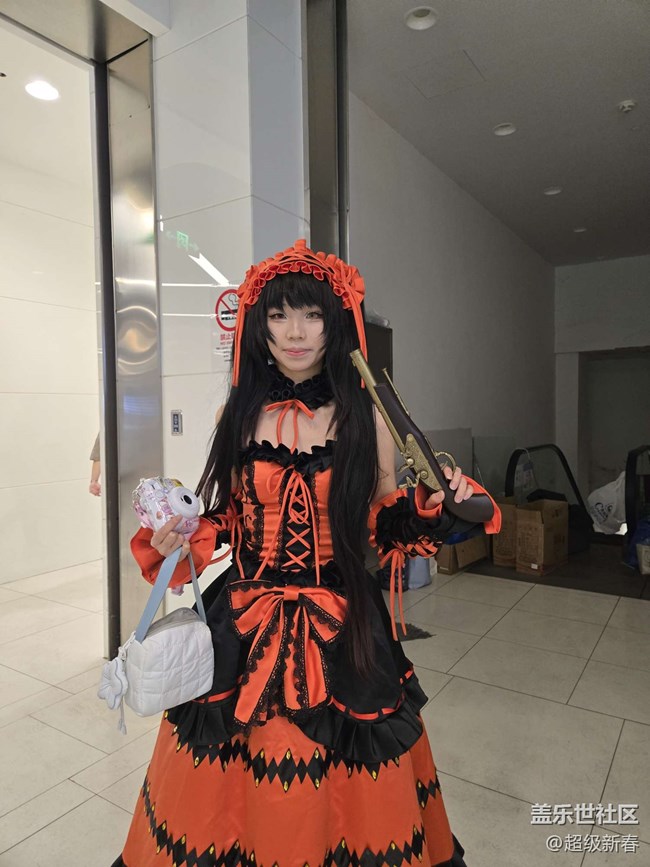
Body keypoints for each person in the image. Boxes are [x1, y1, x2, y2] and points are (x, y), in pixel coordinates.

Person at [113, 240, 501, 867]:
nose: (295, 333)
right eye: (278, 315)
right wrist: (188, 536)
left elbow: (381, 523)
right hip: (243, 617)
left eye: (312, 315)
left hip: (343, 623)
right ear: (259, 325)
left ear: (335, 323)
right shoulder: (236, 414)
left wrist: (432, 508)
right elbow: (231, 516)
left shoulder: (364, 417)